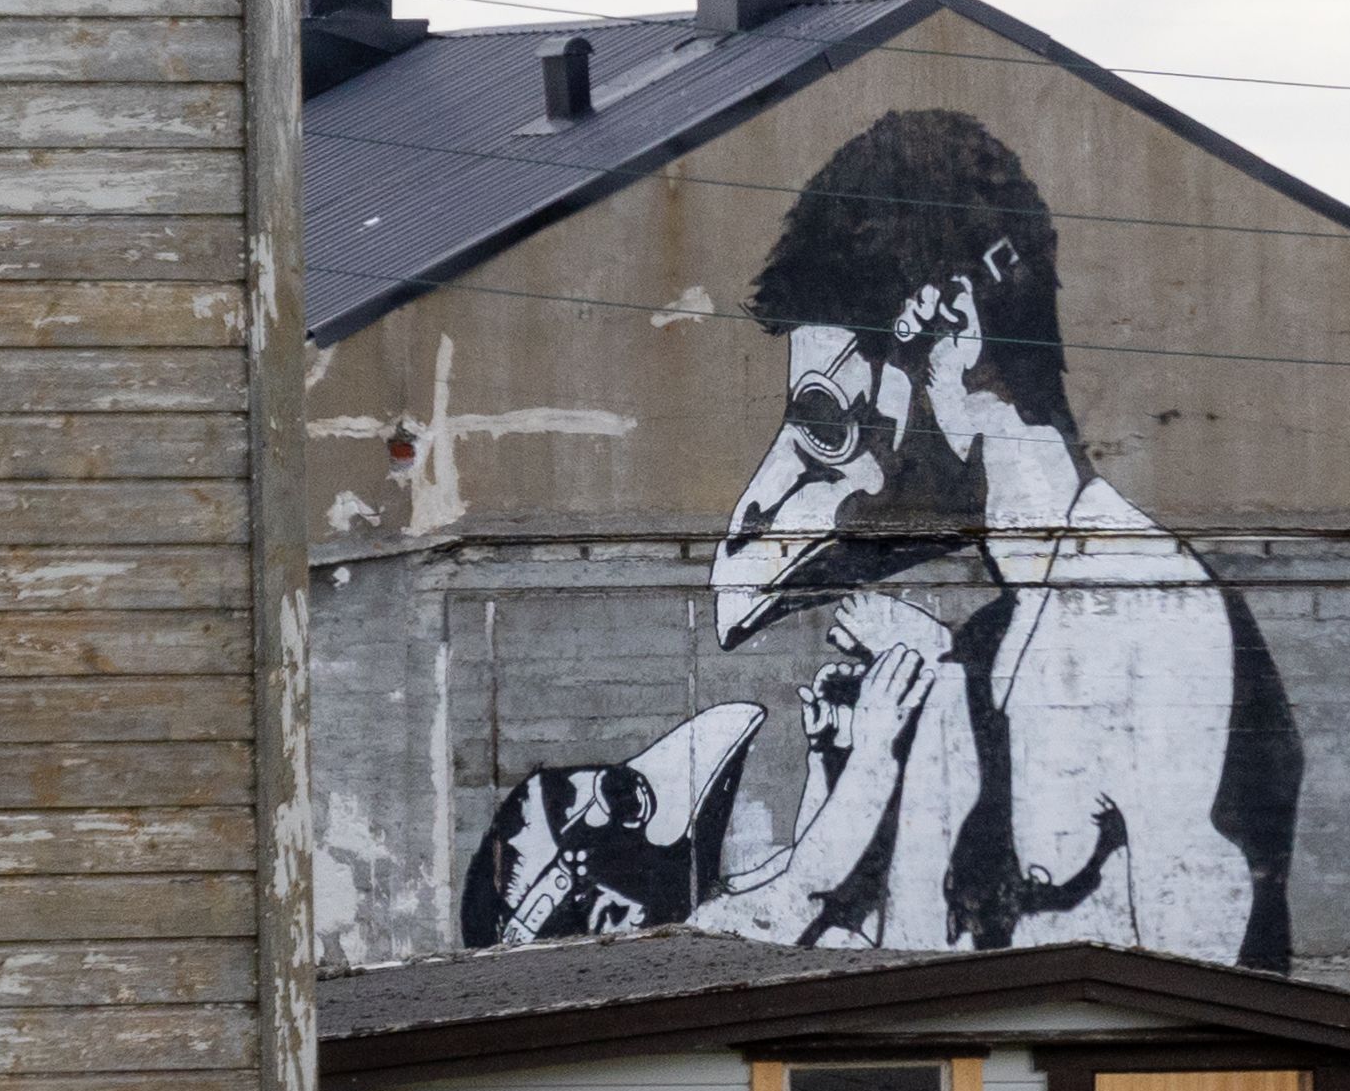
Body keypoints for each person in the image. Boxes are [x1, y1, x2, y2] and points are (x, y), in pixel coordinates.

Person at [453, 110, 1298, 967]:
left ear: (952, 333)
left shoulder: (1149, 626)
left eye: (824, 419)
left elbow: (1213, 999)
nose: (761, 510)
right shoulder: (973, 661)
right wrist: (850, 761)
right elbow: (896, 959)